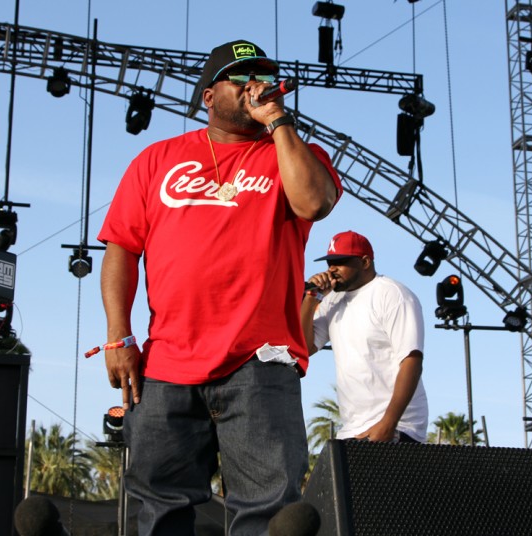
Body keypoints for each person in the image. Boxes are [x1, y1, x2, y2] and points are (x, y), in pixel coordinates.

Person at [97, 39, 342, 535]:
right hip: (166, 367)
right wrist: (118, 335)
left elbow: (314, 203)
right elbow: (121, 248)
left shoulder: (293, 152)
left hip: (260, 363)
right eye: (242, 76)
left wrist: (277, 121)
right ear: (209, 96)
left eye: (264, 76)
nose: (256, 84)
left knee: (267, 514)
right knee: (160, 513)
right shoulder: (157, 159)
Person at [301, 230, 428, 443]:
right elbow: (305, 348)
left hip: (396, 426)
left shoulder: (393, 294)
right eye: (330, 263)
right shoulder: (332, 300)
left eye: (341, 262)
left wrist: (388, 424)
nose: (332, 269)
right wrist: (312, 297)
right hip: (352, 429)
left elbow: (411, 361)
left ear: (365, 262)